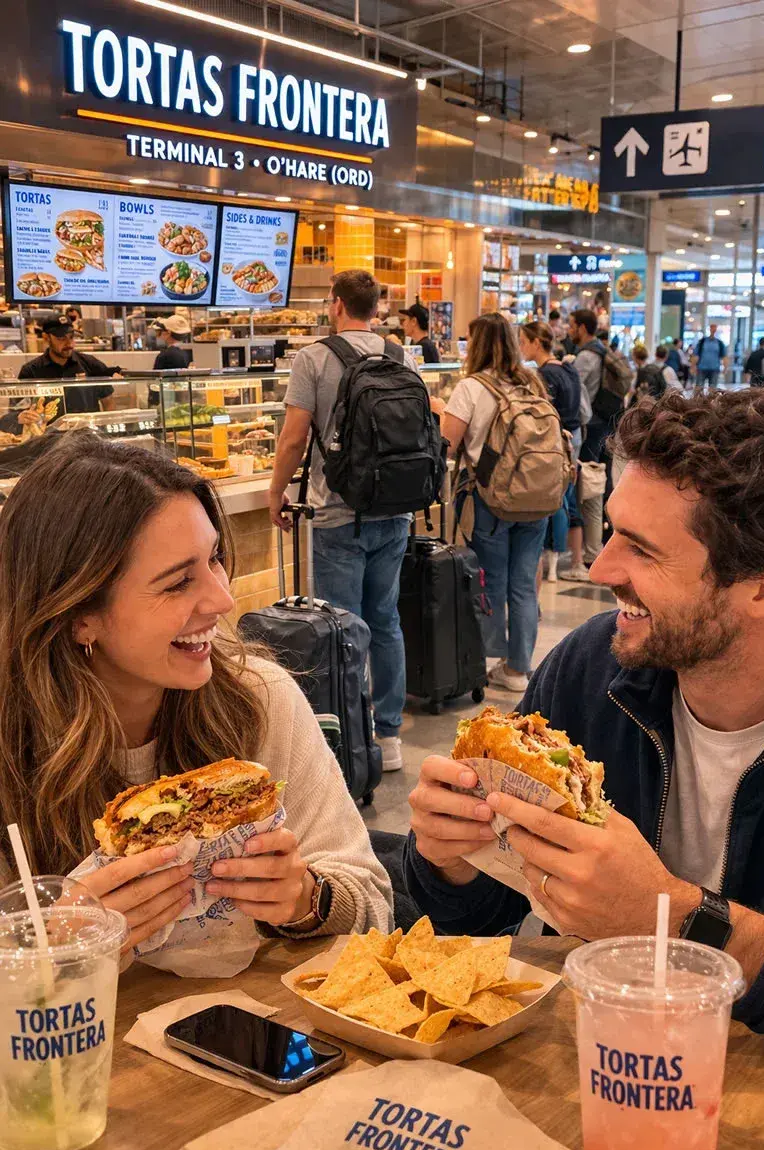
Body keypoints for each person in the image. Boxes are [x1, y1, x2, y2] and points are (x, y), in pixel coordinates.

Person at [404, 386, 764, 1045]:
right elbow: (484, 913)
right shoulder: (594, 667)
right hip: (597, 1066)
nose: (599, 564)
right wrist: (452, 856)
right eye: (611, 530)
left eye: (642, 550)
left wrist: (671, 919)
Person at [0, 433, 391, 972]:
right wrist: (45, 952)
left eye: (215, 559)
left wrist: (305, 899)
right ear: (78, 613)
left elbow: (375, 906)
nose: (223, 599)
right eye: (179, 582)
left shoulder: (260, 700)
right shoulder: (10, 745)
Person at [269, 270, 419, 772]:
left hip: (335, 514)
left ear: (336, 304)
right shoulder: (399, 355)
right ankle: (391, 736)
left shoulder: (313, 357)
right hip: (395, 509)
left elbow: (293, 439)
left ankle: (354, 739)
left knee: (344, 628)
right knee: (386, 621)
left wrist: (277, 492)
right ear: (376, 307)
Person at [442, 313, 550, 693]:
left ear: (478, 344)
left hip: (490, 499)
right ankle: (519, 669)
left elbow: (448, 443)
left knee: (490, 582)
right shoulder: (532, 380)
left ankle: (487, 659)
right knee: (523, 584)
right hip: (536, 497)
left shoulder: (471, 387)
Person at [519, 321, 583, 584]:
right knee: (567, 502)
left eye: (523, 341)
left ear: (536, 343)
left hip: (554, 442)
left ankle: (550, 561)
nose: (521, 347)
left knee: (554, 504)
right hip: (573, 439)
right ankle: (567, 560)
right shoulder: (569, 370)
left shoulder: (544, 375)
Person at [1, 317, 120, 434]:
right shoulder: (31, 371)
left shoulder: (90, 363)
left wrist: (108, 432)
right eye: (61, 338)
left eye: (71, 337)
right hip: (47, 442)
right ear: (46, 338)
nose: (69, 343)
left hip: (88, 438)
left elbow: (108, 402)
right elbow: (13, 413)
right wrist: (20, 417)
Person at [568, 307, 611, 573]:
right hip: (601, 424)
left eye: (572, 325)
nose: (570, 330)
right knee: (594, 485)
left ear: (582, 328)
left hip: (590, 427)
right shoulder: (601, 351)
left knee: (590, 488)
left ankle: (590, 552)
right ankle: (592, 549)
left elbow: (575, 393)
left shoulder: (585, 356)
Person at [692, 324, 727, 390]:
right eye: (712, 328)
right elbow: (696, 355)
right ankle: (698, 400)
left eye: (715, 328)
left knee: (713, 389)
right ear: (710, 329)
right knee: (699, 388)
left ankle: (711, 400)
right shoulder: (702, 342)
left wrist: (725, 368)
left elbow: (724, 356)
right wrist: (693, 366)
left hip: (714, 369)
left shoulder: (719, 343)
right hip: (701, 368)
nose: (713, 330)